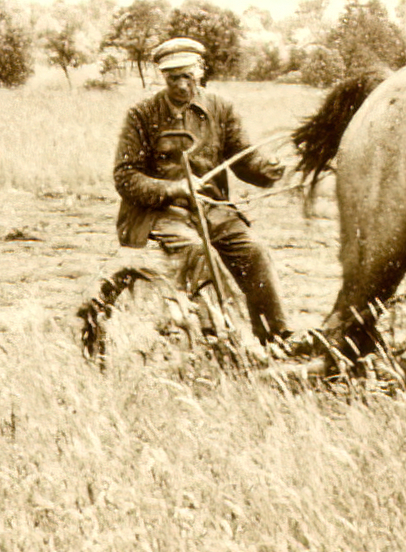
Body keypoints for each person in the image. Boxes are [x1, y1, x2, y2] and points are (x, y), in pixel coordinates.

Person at [112, 36, 289, 344]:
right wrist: (174, 188)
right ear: (162, 76)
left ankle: (277, 336)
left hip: (212, 208)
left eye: (188, 76)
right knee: (198, 252)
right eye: (173, 78)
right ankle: (219, 336)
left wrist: (267, 168)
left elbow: (243, 159)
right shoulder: (141, 114)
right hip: (161, 213)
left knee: (255, 252)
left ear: (200, 71)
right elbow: (125, 176)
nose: (182, 85)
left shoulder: (220, 108)